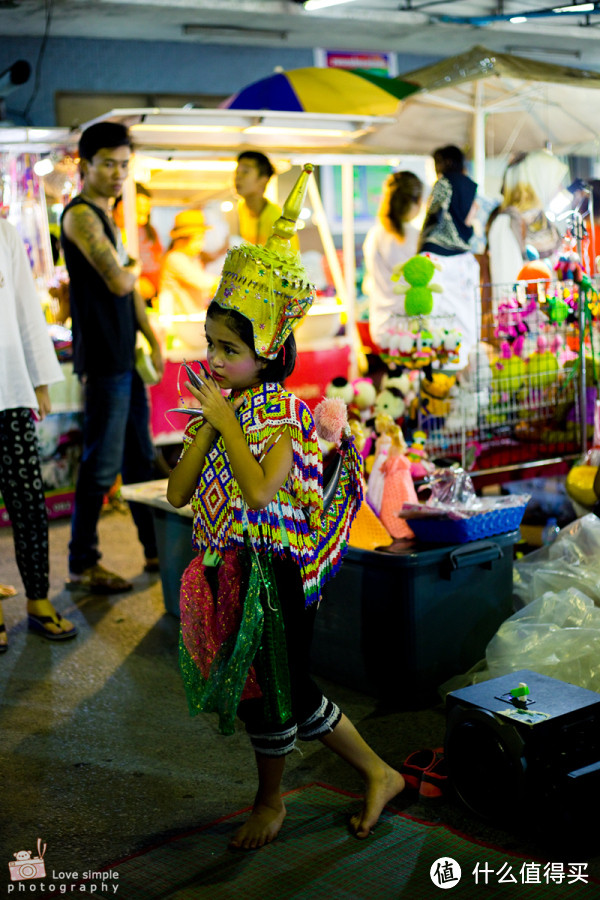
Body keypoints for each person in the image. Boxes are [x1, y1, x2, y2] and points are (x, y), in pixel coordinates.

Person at [167, 165, 404, 851]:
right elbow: (180, 493)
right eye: (211, 344)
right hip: (226, 569)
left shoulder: (286, 415)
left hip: (270, 576)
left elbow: (263, 491)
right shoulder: (220, 407)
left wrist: (225, 426)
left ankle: (271, 802)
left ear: (267, 350)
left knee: (278, 692)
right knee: (279, 691)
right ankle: (377, 772)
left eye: (229, 349)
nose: (214, 359)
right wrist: (209, 425)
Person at [60, 121, 164, 594]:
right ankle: (83, 563)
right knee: (102, 465)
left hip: (125, 356)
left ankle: (156, 549)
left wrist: (152, 336)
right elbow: (122, 281)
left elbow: (132, 292)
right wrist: (135, 264)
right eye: (108, 164)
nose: (118, 173)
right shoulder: (80, 216)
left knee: (142, 459)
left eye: (124, 164)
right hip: (102, 360)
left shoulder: (109, 215)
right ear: (85, 165)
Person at [0, 216, 78, 649]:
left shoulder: (4, 232)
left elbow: (27, 310)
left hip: (9, 389)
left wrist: (40, 381)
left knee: (29, 501)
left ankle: (37, 599)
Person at [418, 145, 480, 368]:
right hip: (451, 365)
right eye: (471, 202)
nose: (476, 208)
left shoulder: (459, 255)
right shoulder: (435, 262)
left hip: (450, 364)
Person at [487, 150, 567, 288]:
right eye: (554, 181)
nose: (560, 188)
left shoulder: (545, 221)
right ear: (537, 181)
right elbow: (506, 287)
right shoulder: (507, 223)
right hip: (524, 307)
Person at [362, 170, 423, 348]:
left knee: (394, 375)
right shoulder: (415, 237)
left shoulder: (374, 234)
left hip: (381, 326)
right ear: (413, 202)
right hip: (409, 328)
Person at [158, 209, 218, 317]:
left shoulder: (193, 260)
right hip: (179, 322)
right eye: (199, 239)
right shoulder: (175, 258)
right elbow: (202, 282)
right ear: (183, 239)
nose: (202, 243)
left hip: (191, 318)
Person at [234, 151, 299, 251]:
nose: (238, 177)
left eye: (245, 172)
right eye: (237, 172)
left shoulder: (278, 221)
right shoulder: (243, 207)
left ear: (263, 180)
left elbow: (290, 262)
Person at [113, 183, 164, 303]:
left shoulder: (135, 234)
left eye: (147, 214)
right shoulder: (109, 233)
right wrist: (137, 283)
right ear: (122, 208)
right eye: (140, 213)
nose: (144, 220)